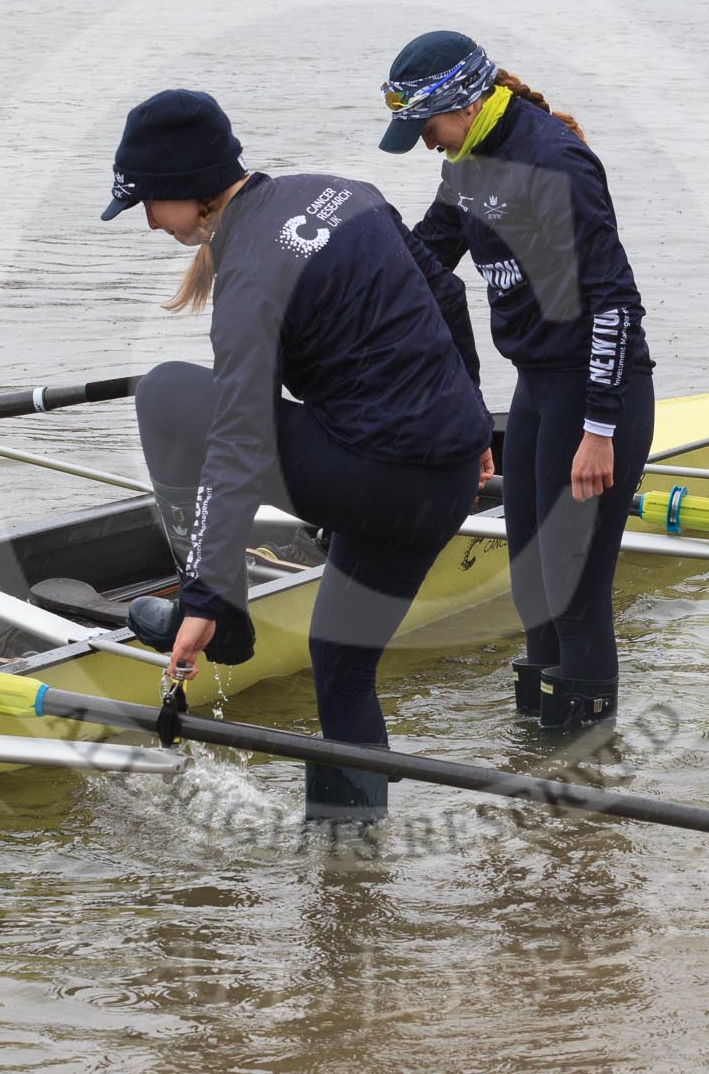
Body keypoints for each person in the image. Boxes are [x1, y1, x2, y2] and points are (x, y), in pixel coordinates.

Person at [100, 89, 492, 823]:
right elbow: (446, 296)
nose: (150, 221)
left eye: (149, 203)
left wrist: (211, 596)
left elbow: (239, 440)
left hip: (374, 479)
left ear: (187, 186)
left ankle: (218, 610)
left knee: (163, 394)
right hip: (439, 484)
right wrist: (473, 432)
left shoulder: (247, 279)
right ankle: (350, 871)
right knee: (341, 665)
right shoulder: (348, 193)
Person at [379, 31, 655, 733]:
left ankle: (586, 797)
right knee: (532, 586)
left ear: (466, 102)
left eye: (428, 127)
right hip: (536, 385)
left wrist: (600, 431)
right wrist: (351, 241)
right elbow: (426, 265)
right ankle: (540, 784)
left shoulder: (556, 161)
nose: (427, 143)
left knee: (574, 592)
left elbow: (615, 300)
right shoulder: (469, 164)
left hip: (599, 392)